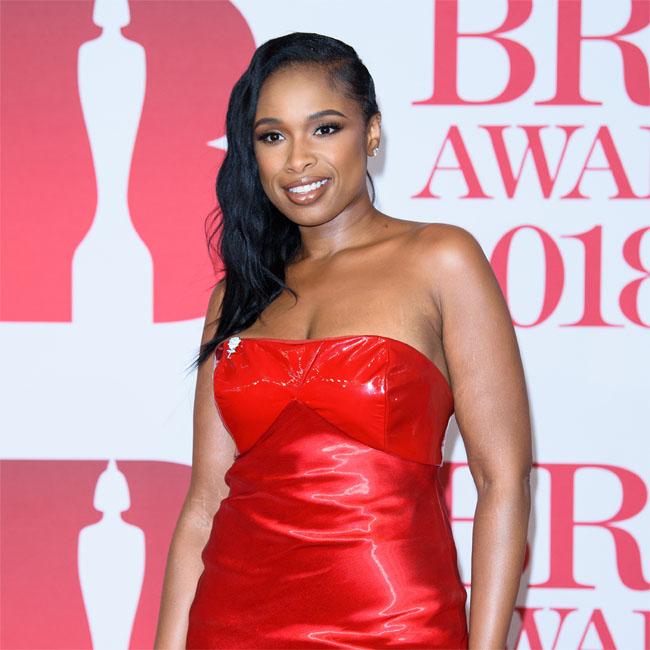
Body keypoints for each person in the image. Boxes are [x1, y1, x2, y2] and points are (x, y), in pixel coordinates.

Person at [155, 32, 532, 650]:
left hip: (396, 622)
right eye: (272, 137)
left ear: (372, 133)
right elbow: (205, 501)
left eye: (324, 129)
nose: (297, 160)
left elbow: (502, 481)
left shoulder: (442, 259)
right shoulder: (237, 296)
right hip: (230, 623)